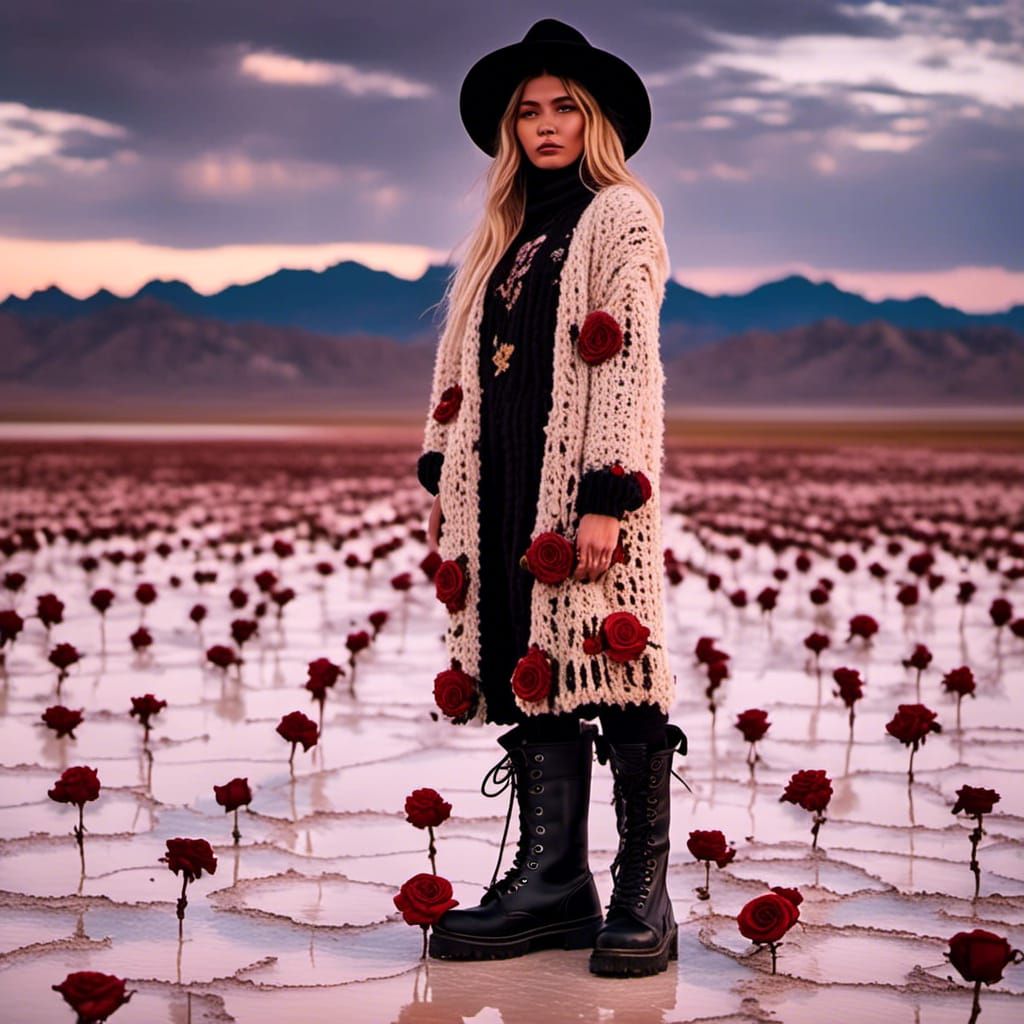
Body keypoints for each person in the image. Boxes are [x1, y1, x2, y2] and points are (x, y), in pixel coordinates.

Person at [416, 18, 686, 978]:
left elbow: (627, 361)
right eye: (527, 111)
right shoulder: (501, 234)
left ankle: (643, 896)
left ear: (595, 118)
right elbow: (461, 372)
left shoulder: (620, 215)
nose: (544, 124)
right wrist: (443, 473)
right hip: (504, 484)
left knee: (619, 675)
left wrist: (610, 495)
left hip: (583, 490)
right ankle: (553, 886)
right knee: (528, 671)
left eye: (564, 106)